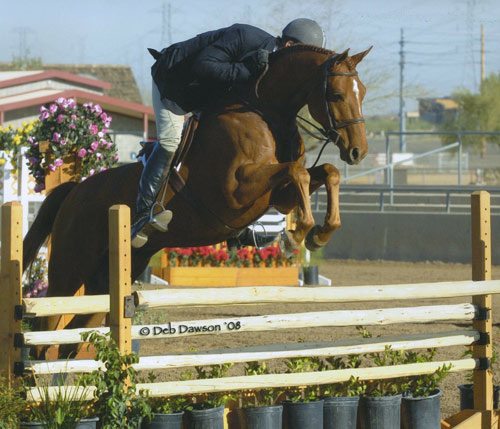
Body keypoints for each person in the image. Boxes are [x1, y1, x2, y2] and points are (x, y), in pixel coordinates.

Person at [131, 18, 326, 248]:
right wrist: (247, 69)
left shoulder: (275, 68)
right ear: (289, 46)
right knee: (170, 142)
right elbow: (203, 66)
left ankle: (238, 226)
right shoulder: (245, 37)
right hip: (175, 83)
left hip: (206, 93)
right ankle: (143, 215)